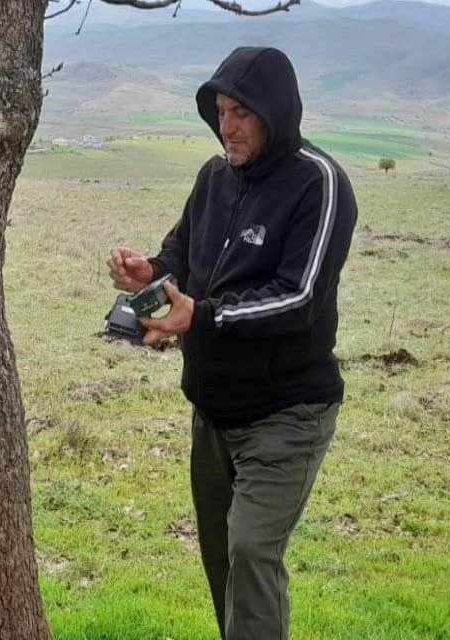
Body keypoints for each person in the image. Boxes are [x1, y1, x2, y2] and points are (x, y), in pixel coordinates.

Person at [107, 47, 358, 639]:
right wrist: (150, 274)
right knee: (222, 560)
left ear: (274, 112)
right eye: (220, 111)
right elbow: (180, 258)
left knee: (250, 551)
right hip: (213, 413)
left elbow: (297, 298)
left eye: (241, 112)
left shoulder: (317, 184)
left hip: (287, 412)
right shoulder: (214, 176)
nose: (227, 127)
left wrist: (203, 317)